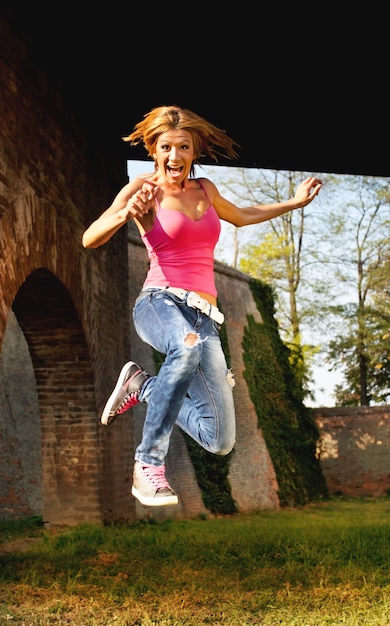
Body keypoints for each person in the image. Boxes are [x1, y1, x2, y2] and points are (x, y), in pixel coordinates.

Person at [82, 105, 322, 508]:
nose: (174, 157)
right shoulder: (142, 190)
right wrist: (126, 212)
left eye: (183, 148)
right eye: (165, 148)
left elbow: (243, 216)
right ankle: (148, 464)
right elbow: (90, 237)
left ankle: (142, 386)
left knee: (220, 439)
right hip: (159, 303)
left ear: (194, 151)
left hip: (204, 318)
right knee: (187, 345)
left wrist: (293, 204)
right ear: (153, 149)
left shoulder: (206, 189)